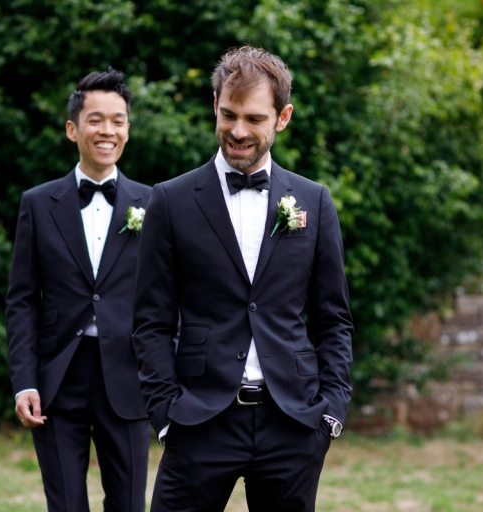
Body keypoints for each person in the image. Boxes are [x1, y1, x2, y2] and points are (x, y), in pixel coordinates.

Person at [132, 46, 353, 511]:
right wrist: (166, 413)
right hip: (199, 421)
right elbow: (150, 321)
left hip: (292, 424)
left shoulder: (314, 200)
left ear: (283, 117)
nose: (237, 131)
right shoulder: (169, 202)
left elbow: (333, 319)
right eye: (228, 115)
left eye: (254, 119)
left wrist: (330, 413)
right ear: (214, 104)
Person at [5, 68, 151, 512]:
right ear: (73, 129)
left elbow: (169, 300)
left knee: (128, 504)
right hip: (58, 379)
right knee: (65, 504)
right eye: (95, 119)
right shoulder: (38, 203)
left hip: (129, 378)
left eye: (118, 120)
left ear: (127, 128)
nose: (107, 130)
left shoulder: (154, 204)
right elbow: (22, 300)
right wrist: (24, 381)